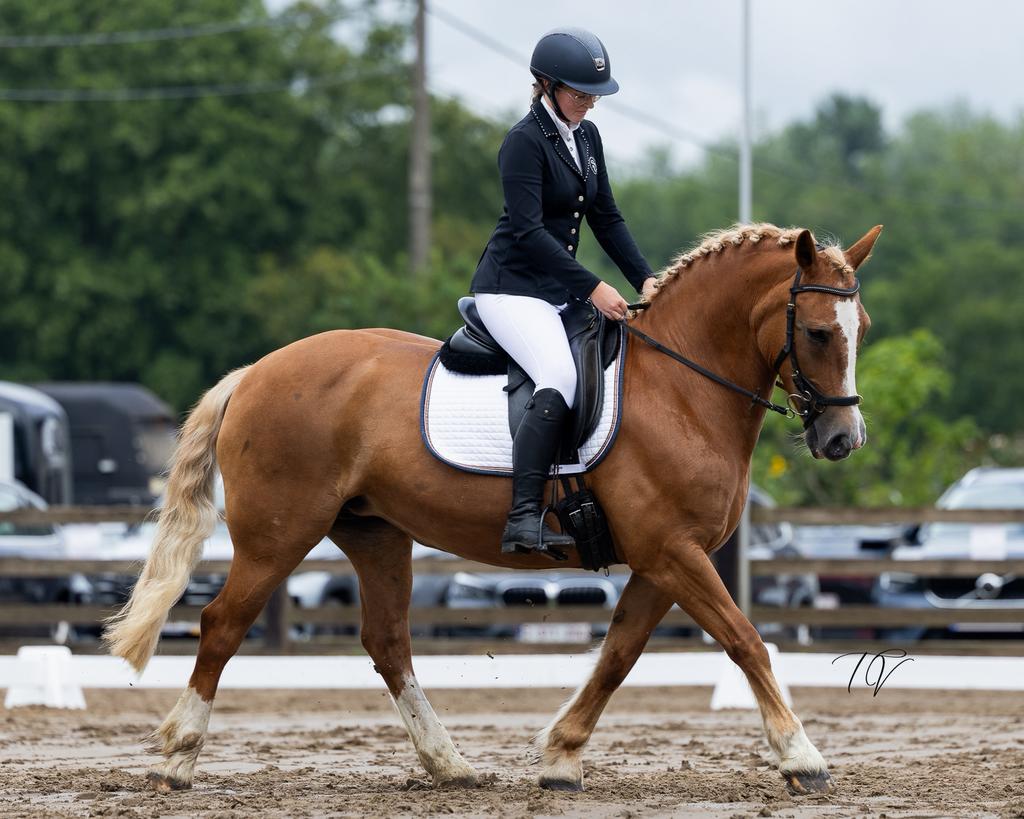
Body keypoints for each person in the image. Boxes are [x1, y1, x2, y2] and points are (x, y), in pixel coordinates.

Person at [470, 27, 658, 557]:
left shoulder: (587, 137)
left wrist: (645, 277)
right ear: (546, 84)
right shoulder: (523, 142)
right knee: (558, 374)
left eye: (594, 94)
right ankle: (523, 513)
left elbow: (606, 216)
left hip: (558, 291)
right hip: (511, 289)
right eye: (580, 93)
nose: (589, 102)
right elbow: (529, 234)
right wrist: (595, 286)